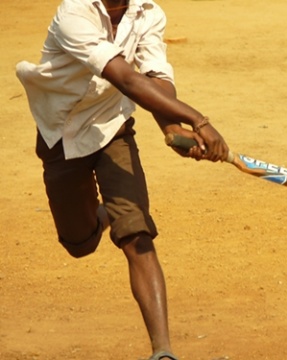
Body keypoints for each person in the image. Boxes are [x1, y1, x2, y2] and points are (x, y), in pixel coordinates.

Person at [16, 0, 229, 359]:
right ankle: (102, 215)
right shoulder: (75, 12)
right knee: (79, 244)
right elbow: (126, 78)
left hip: (112, 126)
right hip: (60, 133)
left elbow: (155, 78)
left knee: (137, 234)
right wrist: (199, 121)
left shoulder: (148, 12)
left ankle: (162, 351)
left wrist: (171, 126)